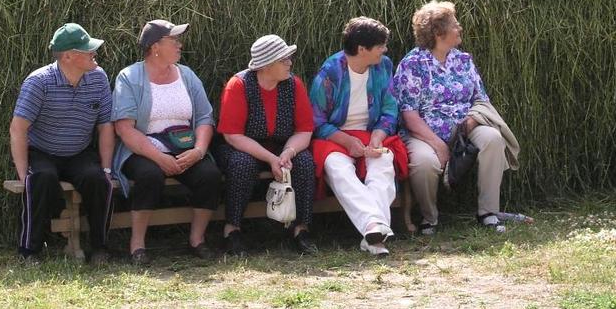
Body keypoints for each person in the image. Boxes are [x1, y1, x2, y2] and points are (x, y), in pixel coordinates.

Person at [390, 1, 518, 234]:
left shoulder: (463, 60)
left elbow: (480, 98)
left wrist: (471, 122)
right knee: (423, 162)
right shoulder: (412, 65)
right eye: (455, 25)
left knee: (493, 138)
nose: (460, 29)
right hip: (423, 132)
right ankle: (430, 218)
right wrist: (438, 144)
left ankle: (488, 212)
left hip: (465, 125)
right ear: (439, 32)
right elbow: (409, 113)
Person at [112, 19, 222, 266]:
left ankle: (197, 240)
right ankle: (137, 244)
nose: (179, 45)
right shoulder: (129, 77)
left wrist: (199, 150)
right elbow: (124, 128)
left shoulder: (187, 75)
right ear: (155, 47)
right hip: (143, 150)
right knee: (150, 176)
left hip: (185, 147)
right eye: (174, 40)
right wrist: (158, 157)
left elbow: (205, 117)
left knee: (210, 175)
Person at [10, 23, 115, 263]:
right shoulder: (39, 82)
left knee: (99, 181)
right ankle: (29, 251)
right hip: (42, 151)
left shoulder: (99, 78)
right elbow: (18, 129)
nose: (94, 54)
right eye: (87, 50)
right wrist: (22, 175)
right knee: (39, 179)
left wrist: (107, 169)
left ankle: (100, 248)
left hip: (79, 151)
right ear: (68, 56)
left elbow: (106, 126)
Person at [309, 17, 407, 257]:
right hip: (334, 136)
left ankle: (372, 233)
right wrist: (347, 142)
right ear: (362, 49)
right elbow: (317, 121)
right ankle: (375, 225)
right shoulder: (330, 72)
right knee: (338, 168)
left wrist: (377, 136)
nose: (384, 50)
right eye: (380, 45)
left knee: (383, 161)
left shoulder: (383, 66)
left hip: (370, 133)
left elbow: (389, 108)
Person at [216, 35, 317, 257]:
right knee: (241, 164)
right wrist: (271, 159)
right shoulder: (239, 85)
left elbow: (304, 130)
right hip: (243, 146)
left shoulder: (294, 84)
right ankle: (232, 230)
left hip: (284, 144)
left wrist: (287, 153)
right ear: (267, 65)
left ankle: (301, 229)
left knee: (305, 162)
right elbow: (232, 136)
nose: (290, 63)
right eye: (284, 59)